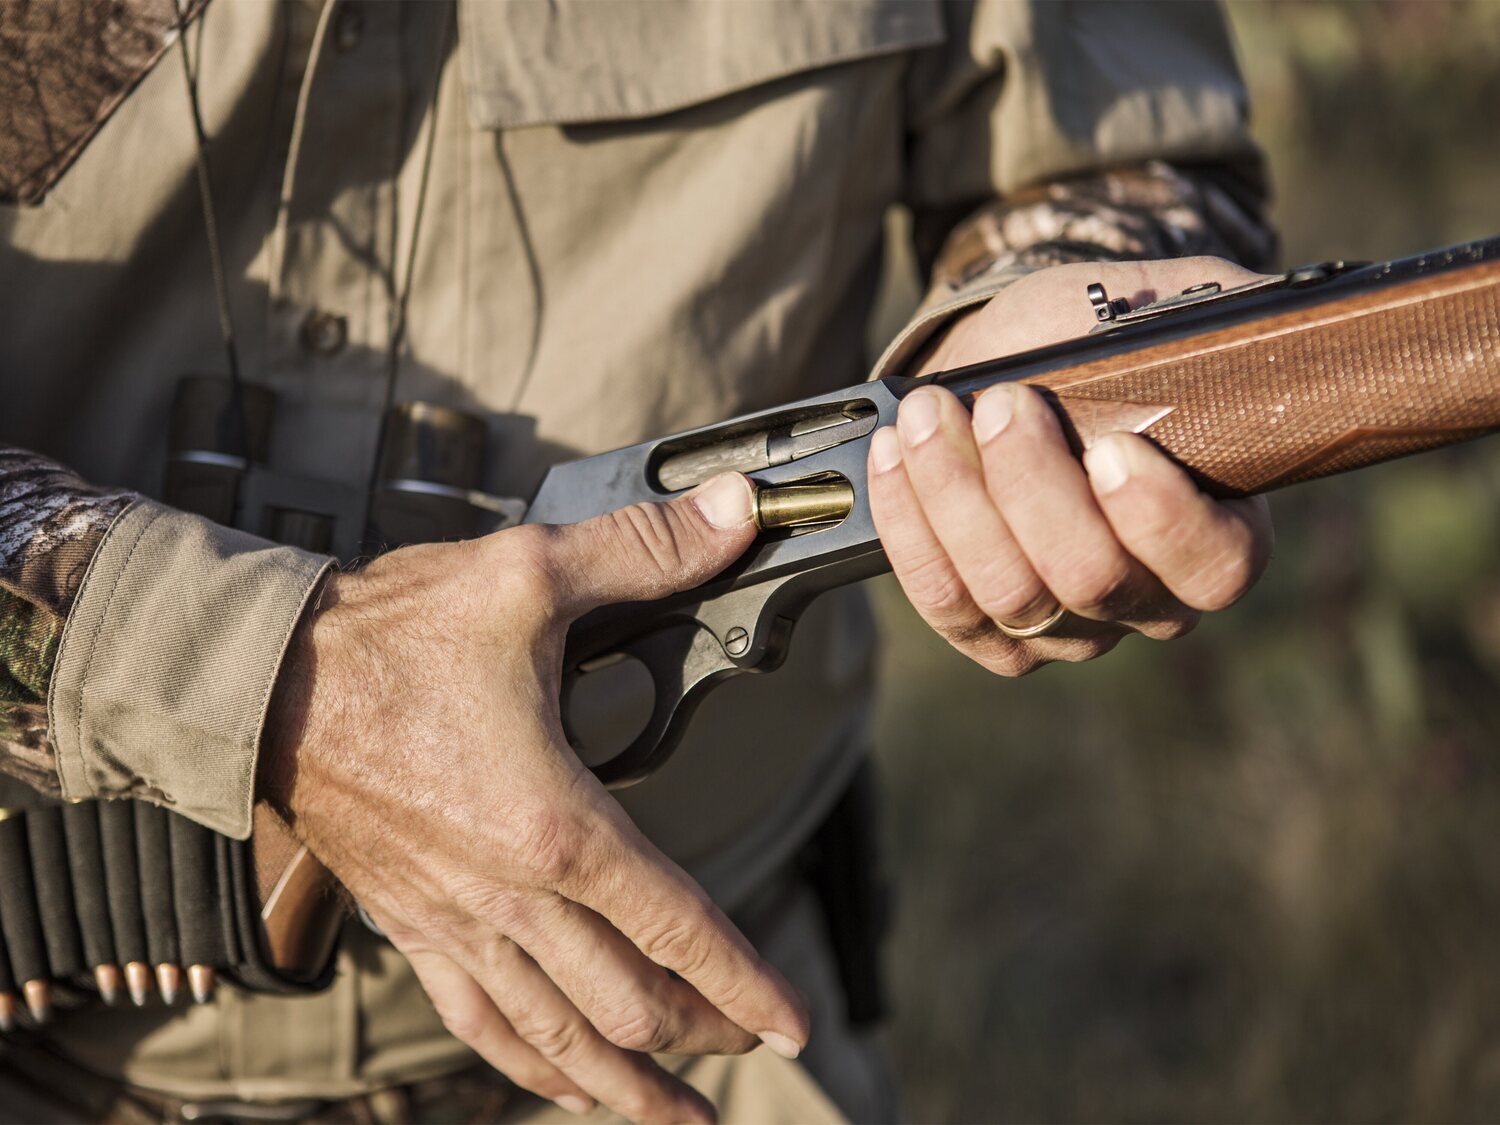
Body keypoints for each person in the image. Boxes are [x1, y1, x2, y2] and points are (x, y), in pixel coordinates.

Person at [0, 1, 1277, 1121]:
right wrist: (261, 677)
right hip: (45, 1037)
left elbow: (1121, 151)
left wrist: (1052, 329)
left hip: (695, 1049)